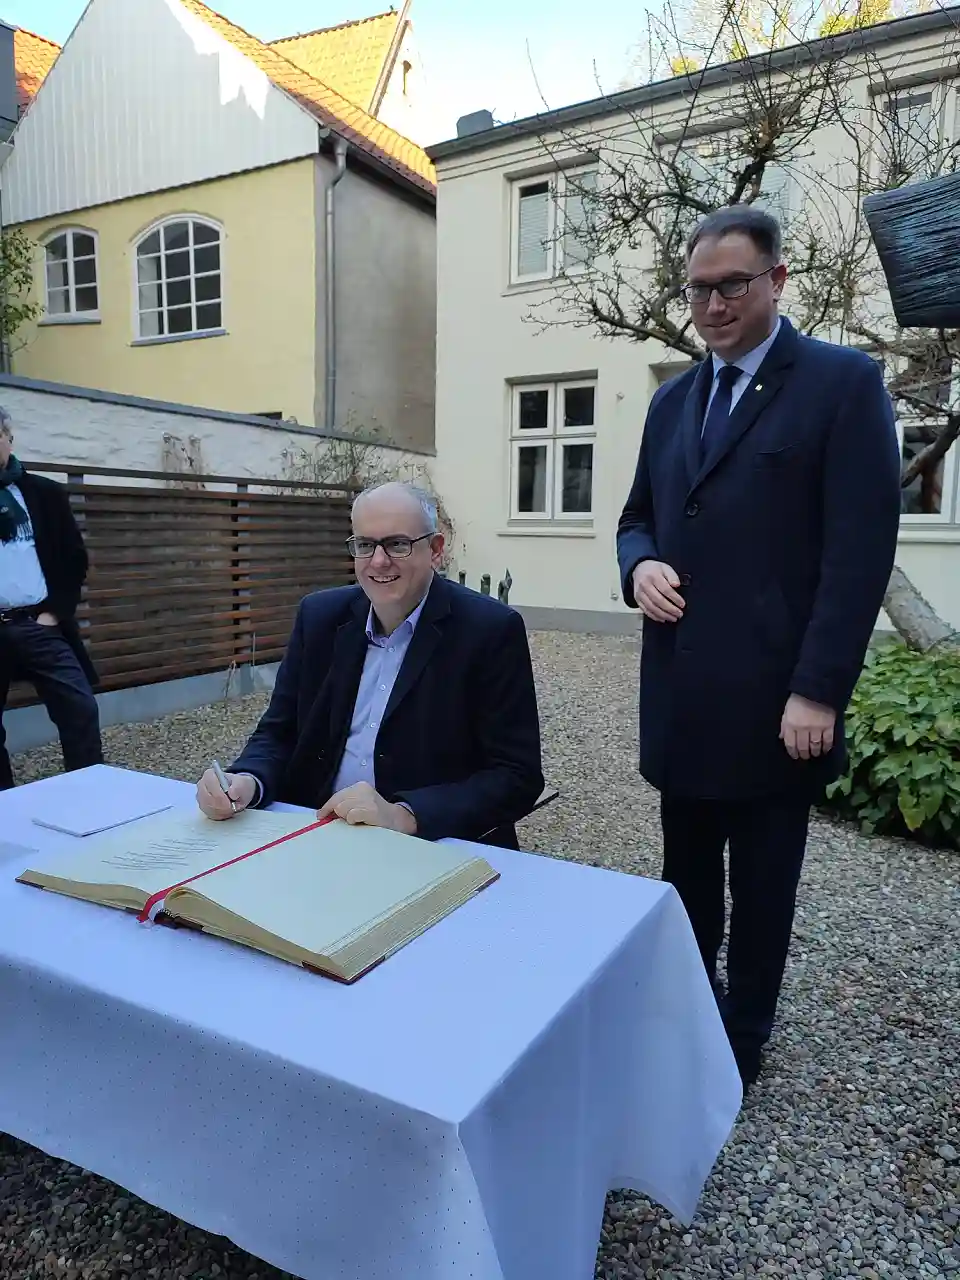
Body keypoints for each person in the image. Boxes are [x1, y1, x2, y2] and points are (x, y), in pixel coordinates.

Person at [616, 206, 902, 1087]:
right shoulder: (671, 401)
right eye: (698, 289)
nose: (711, 305)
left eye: (731, 285)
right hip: (684, 693)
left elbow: (860, 554)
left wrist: (819, 689)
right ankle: (688, 1007)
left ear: (777, 280)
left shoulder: (841, 384)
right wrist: (639, 569)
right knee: (686, 871)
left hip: (779, 703)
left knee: (764, 883)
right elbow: (636, 520)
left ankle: (744, 1037)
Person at [197, 480, 544, 848]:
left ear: (435, 549)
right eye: (365, 545)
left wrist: (406, 814)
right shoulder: (319, 618)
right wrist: (247, 780)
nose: (379, 561)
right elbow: (280, 732)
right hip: (320, 835)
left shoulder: (489, 630)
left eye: (397, 544)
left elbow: (516, 776)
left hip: (432, 848)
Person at [0, 406, 103, 790]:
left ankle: (87, 794)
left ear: (9, 438)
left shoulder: (43, 493)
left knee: (79, 708)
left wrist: (55, 614)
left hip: (37, 624)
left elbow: (74, 557)